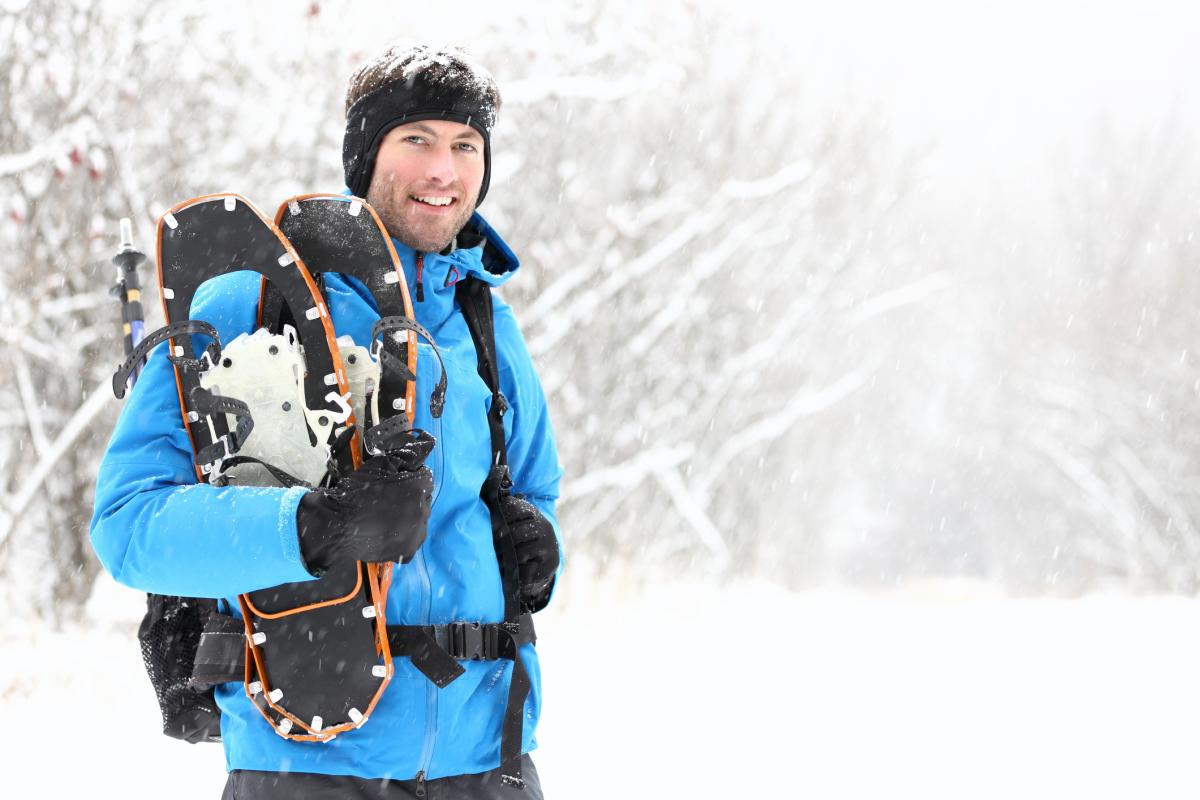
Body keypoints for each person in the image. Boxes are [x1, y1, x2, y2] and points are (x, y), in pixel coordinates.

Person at [90, 43, 563, 799]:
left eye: (465, 146)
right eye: (417, 141)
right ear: (366, 156)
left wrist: (539, 543)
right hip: (309, 758)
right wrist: (309, 527)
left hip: (490, 760)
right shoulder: (246, 308)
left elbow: (534, 489)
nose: (444, 170)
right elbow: (128, 525)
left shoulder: (486, 325)